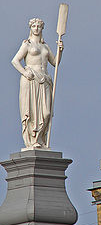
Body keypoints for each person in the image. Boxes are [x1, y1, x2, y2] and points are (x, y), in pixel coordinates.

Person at [11, 18, 63, 149]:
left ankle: (41, 138)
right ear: (30, 28)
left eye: (39, 26)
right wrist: (24, 72)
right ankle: (34, 140)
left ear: (42, 29)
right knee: (32, 112)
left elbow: (55, 62)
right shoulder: (27, 45)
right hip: (31, 80)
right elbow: (15, 61)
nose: (36, 28)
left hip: (44, 80)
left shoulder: (45, 46)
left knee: (46, 113)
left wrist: (60, 50)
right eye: (34, 26)